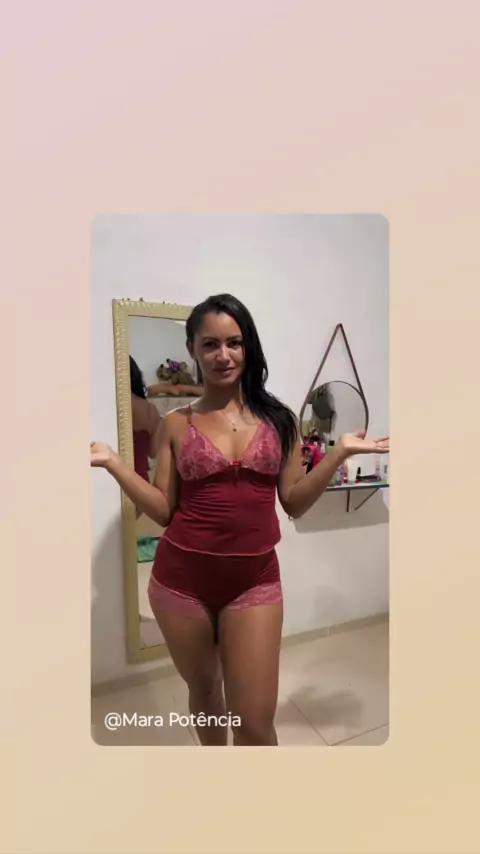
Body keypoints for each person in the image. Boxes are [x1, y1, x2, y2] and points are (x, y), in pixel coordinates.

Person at [91, 295, 389, 746]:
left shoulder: (280, 420)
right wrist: (115, 464)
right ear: (192, 349)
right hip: (180, 582)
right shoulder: (175, 424)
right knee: (206, 691)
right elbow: (164, 509)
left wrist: (339, 453)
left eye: (234, 342)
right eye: (210, 344)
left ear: (248, 346)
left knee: (254, 723)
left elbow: (294, 502)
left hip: (254, 582)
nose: (223, 355)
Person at [129, 356, 161, 485]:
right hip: (141, 482)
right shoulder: (150, 409)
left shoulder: (107, 407)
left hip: (113, 479)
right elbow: (153, 452)